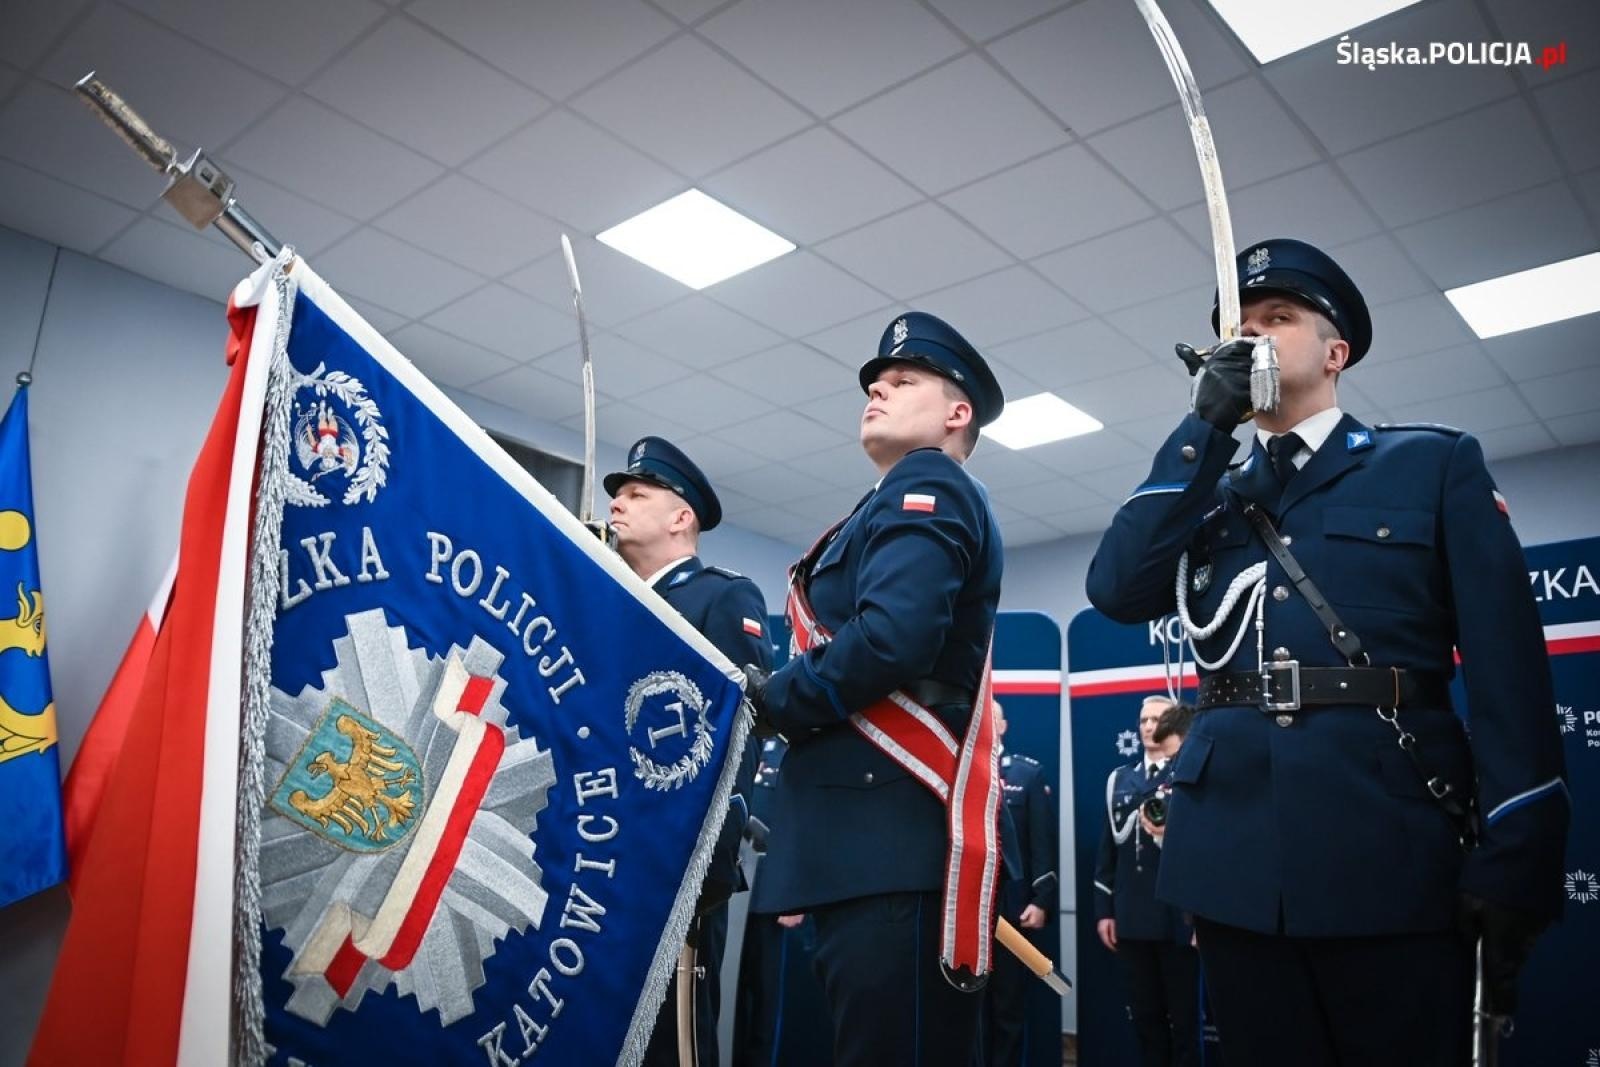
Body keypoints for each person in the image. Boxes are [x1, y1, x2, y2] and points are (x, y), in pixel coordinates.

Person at [1086, 238, 1569, 1066]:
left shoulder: (1428, 465)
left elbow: (1509, 675)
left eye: (1277, 319)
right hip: (1233, 866)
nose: (1252, 338)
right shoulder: (1211, 496)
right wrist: (1204, 426)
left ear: (1335, 351)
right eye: (1236, 328)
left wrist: (1517, 855)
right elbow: (1116, 587)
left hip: (1386, 855)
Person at [744, 311, 1006, 1067]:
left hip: (889, 844)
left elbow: (894, 637)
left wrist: (771, 704)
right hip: (866, 847)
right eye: (874, 383)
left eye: (903, 380)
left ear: (958, 413)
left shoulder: (928, 481)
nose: (877, 390)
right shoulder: (884, 501)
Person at [604, 436, 773, 1067]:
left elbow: (742, 732)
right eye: (618, 494)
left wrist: (709, 864)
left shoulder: (720, 598)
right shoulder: (614, 602)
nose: (618, 502)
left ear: (682, 518)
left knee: (674, 1039)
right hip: (609, 848)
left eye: (636, 493)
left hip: (679, 858)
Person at [1094, 695, 1200, 1067]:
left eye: (1157, 719)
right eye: (1143, 720)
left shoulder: (1189, 772)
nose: (1149, 727)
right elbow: (1108, 851)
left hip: (1178, 917)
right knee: (1145, 1018)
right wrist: (1104, 909)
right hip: (1133, 915)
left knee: (1186, 1022)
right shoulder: (1120, 779)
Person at [980, 698, 1058, 1067]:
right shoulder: (956, 770)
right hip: (966, 909)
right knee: (967, 1006)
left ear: (1004, 725)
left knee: (1007, 1006)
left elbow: (1042, 843)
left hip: (1012, 908)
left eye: (991, 717)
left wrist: (1042, 899)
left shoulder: (1027, 774)